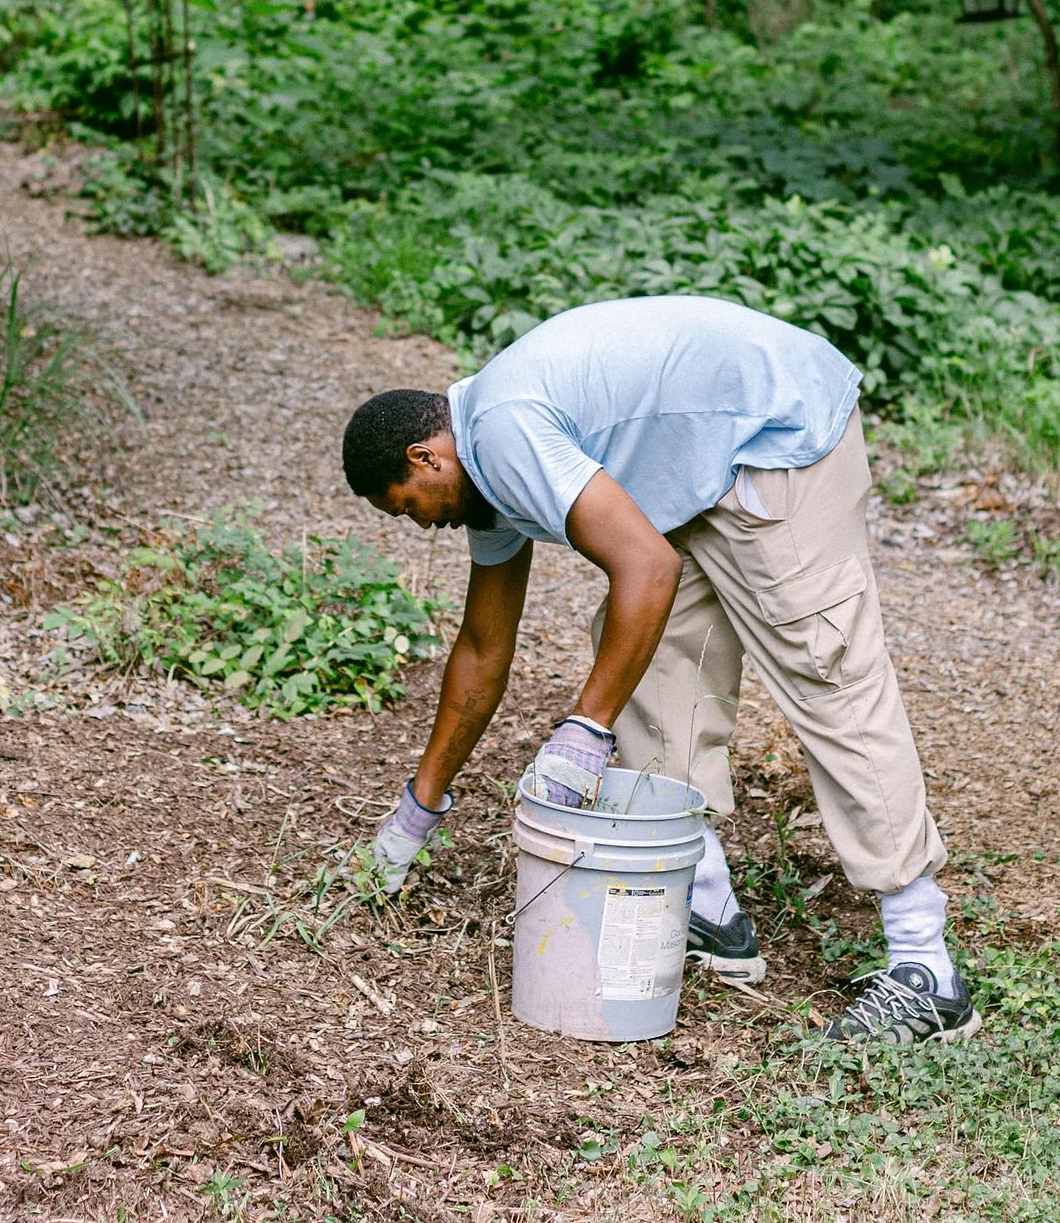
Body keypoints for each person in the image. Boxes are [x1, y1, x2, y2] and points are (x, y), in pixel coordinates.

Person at [339, 293, 972, 1050]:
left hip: (773, 436)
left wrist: (583, 730)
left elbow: (645, 563)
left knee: (827, 671)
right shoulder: (481, 482)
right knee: (642, 653)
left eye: (408, 507)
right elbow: (482, 649)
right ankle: (704, 903)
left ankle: (924, 967)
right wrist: (415, 816)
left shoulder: (502, 435)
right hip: (700, 469)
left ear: (425, 457)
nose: (423, 524)